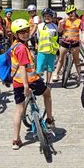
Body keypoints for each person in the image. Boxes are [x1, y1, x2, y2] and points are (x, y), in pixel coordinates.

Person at [10, 19, 55, 150]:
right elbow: (23, 68)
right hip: (30, 81)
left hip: (16, 82)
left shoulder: (14, 45)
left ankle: (16, 140)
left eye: (26, 31)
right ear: (15, 33)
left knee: (19, 109)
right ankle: (50, 119)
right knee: (47, 93)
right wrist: (26, 86)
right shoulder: (22, 48)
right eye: (21, 32)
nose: (25, 34)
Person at [52, 5, 84, 83]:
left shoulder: (80, 21)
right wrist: (60, 24)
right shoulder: (64, 21)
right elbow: (59, 31)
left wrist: (83, 39)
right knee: (61, 59)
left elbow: (83, 31)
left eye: (72, 12)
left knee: (77, 60)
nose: (71, 14)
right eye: (68, 13)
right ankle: (56, 73)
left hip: (75, 43)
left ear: (75, 12)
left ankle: (80, 75)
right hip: (65, 42)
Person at [36, 8, 59, 84]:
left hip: (52, 51)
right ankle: (38, 81)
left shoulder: (55, 26)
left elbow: (56, 38)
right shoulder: (39, 26)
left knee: (50, 68)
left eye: (49, 16)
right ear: (43, 17)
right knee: (39, 68)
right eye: (45, 16)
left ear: (52, 17)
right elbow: (38, 37)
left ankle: (48, 82)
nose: (47, 17)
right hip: (42, 50)